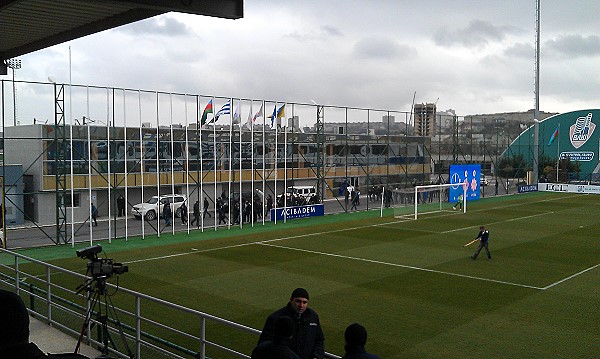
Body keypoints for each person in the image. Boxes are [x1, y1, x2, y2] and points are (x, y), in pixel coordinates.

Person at [258, 288, 324, 359]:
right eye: (298, 301)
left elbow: (319, 340)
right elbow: (264, 343)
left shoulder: (313, 316)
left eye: (304, 302)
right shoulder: (275, 318)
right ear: (291, 300)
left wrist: (316, 356)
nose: (301, 305)